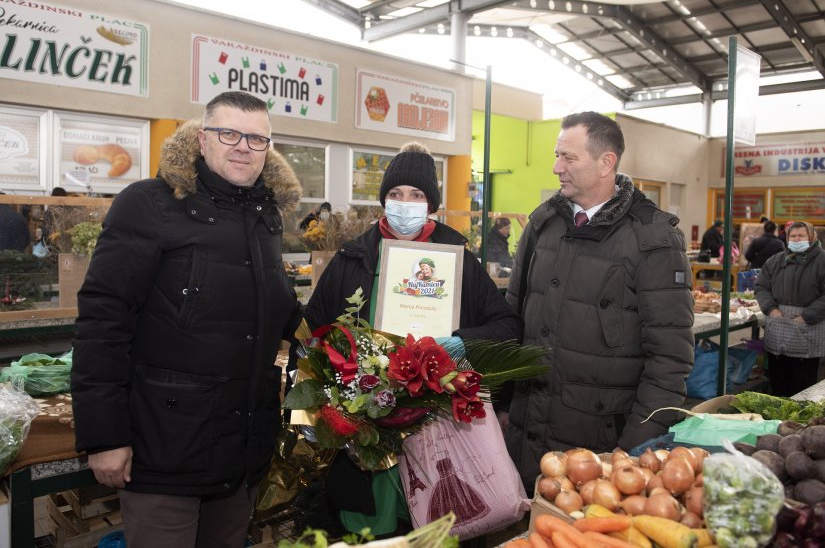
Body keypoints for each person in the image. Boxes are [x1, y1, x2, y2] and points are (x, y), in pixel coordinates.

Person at [71, 91, 303, 548]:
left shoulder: (265, 217)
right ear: (202, 139)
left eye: (257, 138)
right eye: (229, 133)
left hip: (241, 442)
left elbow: (278, 309)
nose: (243, 146)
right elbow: (103, 322)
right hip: (165, 447)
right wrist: (104, 437)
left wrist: (340, 333)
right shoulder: (149, 204)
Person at [303, 141, 522, 535]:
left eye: (416, 194)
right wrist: (331, 386)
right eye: (396, 194)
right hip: (367, 430)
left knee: (430, 526)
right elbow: (313, 330)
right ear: (384, 200)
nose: (405, 202)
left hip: (438, 430)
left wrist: (458, 343)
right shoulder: (353, 258)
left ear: (431, 204)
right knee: (369, 531)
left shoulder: (458, 259)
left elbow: (506, 327)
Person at [502, 112, 694, 493]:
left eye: (568, 158)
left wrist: (635, 445)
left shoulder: (653, 240)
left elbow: (670, 359)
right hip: (524, 437)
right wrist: (504, 407)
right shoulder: (542, 227)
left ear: (607, 162)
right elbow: (512, 322)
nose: (557, 167)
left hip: (601, 448)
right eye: (557, 156)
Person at [755, 221, 825, 397]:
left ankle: (800, 422)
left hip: (809, 326)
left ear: (812, 237)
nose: (796, 239)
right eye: (793, 236)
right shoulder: (776, 261)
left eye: (801, 236)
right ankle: (777, 420)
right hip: (778, 326)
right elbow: (762, 287)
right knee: (778, 382)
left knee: (803, 387)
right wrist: (771, 309)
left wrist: (807, 316)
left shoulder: (822, 261)